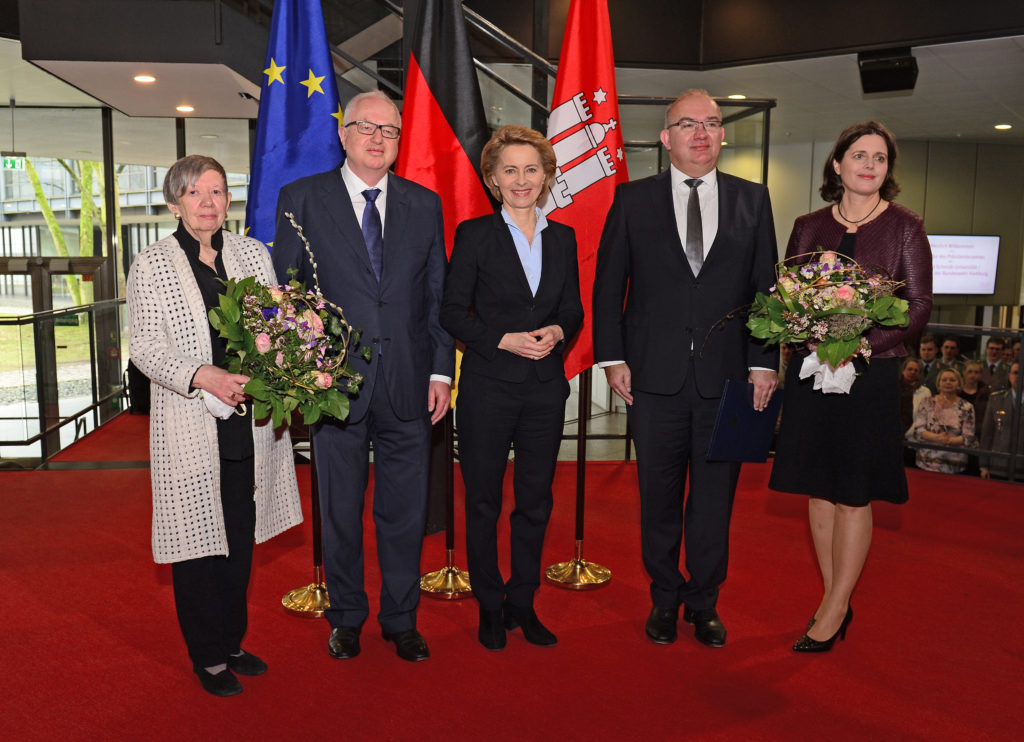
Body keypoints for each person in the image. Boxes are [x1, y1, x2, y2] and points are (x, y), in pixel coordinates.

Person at [272, 91, 454, 663]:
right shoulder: (301, 199)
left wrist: (440, 371)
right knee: (341, 509)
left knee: (403, 512)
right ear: (343, 135)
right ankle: (347, 617)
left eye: (390, 131)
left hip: (408, 382)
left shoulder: (424, 204)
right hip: (333, 388)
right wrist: (302, 375)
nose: (378, 139)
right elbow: (287, 297)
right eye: (366, 128)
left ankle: (401, 618)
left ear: (400, 143)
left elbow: (436, 297)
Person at [592, 89, 779, 648]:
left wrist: (764, 363)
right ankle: (664, 599)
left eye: (713, 123)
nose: (702, 133)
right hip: (652, 379)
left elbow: (765, 290)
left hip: (733, 383)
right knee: (659, 496)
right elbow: (608, 288)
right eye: (688, 124)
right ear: (666, 137)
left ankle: (704, 603)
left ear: (723, 135)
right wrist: (612, 356)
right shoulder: (632, 200)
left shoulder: (754, 199)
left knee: (716, 501)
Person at [126, 155, 303, 696]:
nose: (209, 203)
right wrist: (203, 375)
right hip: (190, 422)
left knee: (241, 540)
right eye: (196, 193)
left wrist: (279, 368)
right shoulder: (153, 263)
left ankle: (231, 642)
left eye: (219, 192)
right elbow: (145, 348)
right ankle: (207, 657)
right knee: (198, 543)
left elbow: (278, 324)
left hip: (250, 421)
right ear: (175, 200)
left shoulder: (252, 253)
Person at [769, 121, 932, 652]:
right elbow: (788, 292)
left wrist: (863, 340)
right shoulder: (808, 224)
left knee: (853, 492)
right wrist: (807, 332)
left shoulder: (906, 227)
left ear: (888, 170)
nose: (869, 165)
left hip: (871, 372)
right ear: (836, 165)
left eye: (880, 158)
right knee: (819, 488)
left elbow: (919, 306)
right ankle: (833, 595)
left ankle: (836, 606)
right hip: (813, 371)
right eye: (859, 155)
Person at [440, 125, 583, 651]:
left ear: (546, 176)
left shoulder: (563, 237)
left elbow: (573, 308)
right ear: (493, 180)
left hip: (545, 389)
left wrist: (558, 331)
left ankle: (523, 601)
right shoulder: (475, 235)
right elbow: (452, 311)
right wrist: (503, 339)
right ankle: (491, 605)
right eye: (510, 170)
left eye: (531, 169)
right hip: (488, 389)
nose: (521, 179)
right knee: (482, 501)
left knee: (536, 502)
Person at [911, 368, 976, 473]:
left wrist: (948, 441)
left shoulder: (967, 407)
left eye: (952, 380)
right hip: (926, 462)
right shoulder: (926, 402)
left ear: (959, 383)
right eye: (944, 380)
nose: (948, 382)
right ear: (938, 383)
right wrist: (938, 438)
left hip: (954, 465)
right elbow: (918, 431)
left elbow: (968, 437)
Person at [980, 361, 1023, 480]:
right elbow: (987, 435)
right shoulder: (996, 399)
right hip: (998, 465)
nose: (1019, 376)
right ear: (1009, 375)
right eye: (1015, 373)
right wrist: (983, 466)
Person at [898, 357, 931, 434]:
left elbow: (927, 416)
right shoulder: (893, 387)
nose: (912, 372)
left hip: (914, 433)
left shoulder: (925, 392)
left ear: (919, 374)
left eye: (916, 370)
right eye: (910, 369)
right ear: (903, 370)